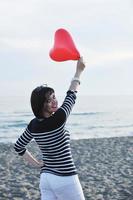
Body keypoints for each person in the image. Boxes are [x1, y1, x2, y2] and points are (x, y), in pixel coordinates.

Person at [14, 57, 86, 200]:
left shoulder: (33, 125)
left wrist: (37, 164)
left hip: (46, 178)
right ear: (41, 105)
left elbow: (19, 146)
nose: (54, 101)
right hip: (65, 178)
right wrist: (79, 71)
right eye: (48, 100)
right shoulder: (58, 119)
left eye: (54, 97)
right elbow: (71, 94)